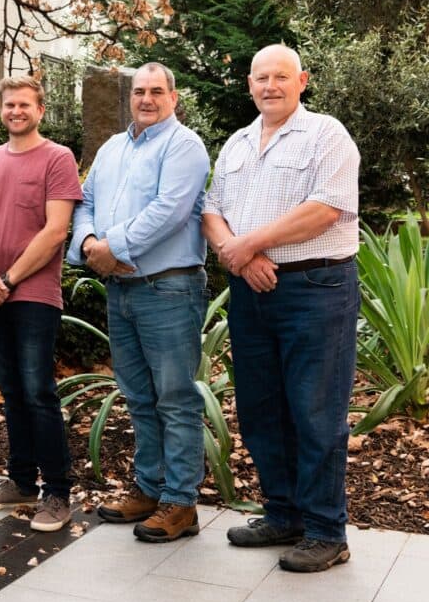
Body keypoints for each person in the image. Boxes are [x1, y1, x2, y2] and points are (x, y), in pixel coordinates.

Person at [202, 44, 360, 572]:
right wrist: (240, 256)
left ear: (302, 80)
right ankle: (283, 513)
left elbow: (326, 208)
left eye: (281, 77)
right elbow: (212, 210)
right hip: (253, 290)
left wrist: (249, 246)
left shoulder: (326, 135)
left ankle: (325, 530)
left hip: (315, 288)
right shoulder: (238, 143)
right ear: (249, 84)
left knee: (316, 412)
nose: (271, 86)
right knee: (262, 409)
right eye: (261, 78)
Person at [67, 63, 210, 542]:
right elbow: (83, 201)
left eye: (156, 91)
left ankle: (180, 502)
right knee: (139, 397)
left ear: (173, 96)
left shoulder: (184, 145)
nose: (146, 99)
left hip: (167, 289)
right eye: (139, 92)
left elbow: (170, 211)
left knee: (175, 398)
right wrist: (89, 245)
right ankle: (149, 489)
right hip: (122, 291)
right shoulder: (112, 148)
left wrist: (113, 248)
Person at [0, 76, 83, 532]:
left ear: (40, 109)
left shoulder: (58, 158)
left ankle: (57, 492)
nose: (16, 111)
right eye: (9, 104)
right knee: (12, 392)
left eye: (24, 105)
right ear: (0, 109)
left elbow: (56, 231)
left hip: (33, 294)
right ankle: (20, 482)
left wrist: (8, 279)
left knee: (38, 393)